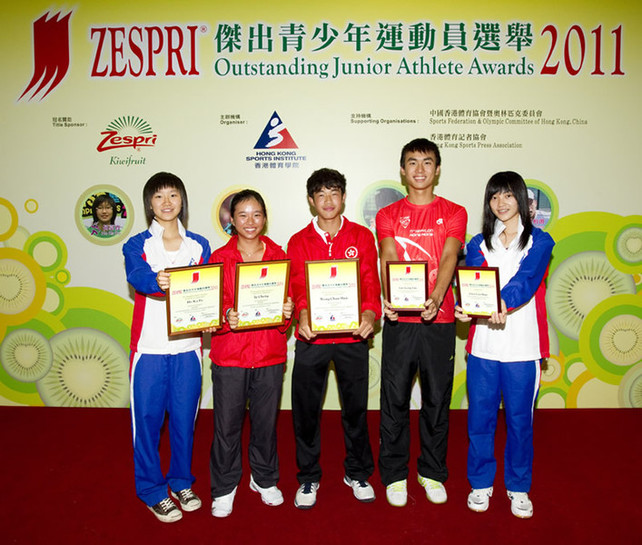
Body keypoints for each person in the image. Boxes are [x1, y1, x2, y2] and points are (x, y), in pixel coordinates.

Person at [455, 171, 554, 519]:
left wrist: (498, 304)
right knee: (479, 420)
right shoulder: (477, 243)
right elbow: (474, 281)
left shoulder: (541, 242)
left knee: (519, 422)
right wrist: (467, 306)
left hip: (523, 349)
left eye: (508, 195)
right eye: (495, 196)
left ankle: (518, 487)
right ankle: (480, 484)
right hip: (483, 348)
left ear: (523, 201)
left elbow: (526, 282)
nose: (501, 203)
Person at [376, 138, 467, 507]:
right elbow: (388, 254)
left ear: (438, 169)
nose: (419, 170)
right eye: (412, 162)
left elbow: (449, 255)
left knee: (436, 399)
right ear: (402, 170)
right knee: (394, 398)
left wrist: (437, 296)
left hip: (439, 319)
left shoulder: (454, 211)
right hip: (401, 320)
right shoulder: (388, 215)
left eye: (427, 162)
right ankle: (395, 475)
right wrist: (389, 295)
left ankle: (431, 471)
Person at [288, 168, 381, 509]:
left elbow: (371, 282)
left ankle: (357, 472)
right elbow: (297, 285)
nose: (328, 201)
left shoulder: (361, 236)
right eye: (321, 195)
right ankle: (308, 477)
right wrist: (302, 313)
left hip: (352, 337)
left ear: (343, 197)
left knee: (355, 410)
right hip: (312, 339)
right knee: (306, 412)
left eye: (334, 193)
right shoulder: (298, 241)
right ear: (311, 201)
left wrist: (370, 313)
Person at [123, 172, 211, 523]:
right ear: (149, 204)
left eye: (173, 195)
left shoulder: (199, 245)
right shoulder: (136, 245)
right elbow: (138, 277)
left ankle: (181, 481)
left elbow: (207, 291)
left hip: (188, 349)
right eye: (158, 197)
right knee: (145, 422)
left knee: (184, 422)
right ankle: (152, 489)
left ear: (182, 200)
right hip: (149, 349)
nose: (166, 203)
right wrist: (156, 280)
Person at [208, 189, 294, 518]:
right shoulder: (218, 258)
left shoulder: (279, 255)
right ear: (231, 219)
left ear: (265, 218)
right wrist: (224, 317)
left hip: (270, 356)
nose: (250, 221)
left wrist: (287, 311)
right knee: (227, 426)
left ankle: (264, 479)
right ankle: (225, 486)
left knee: (265, 424)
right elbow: (208, 310)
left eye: (256, 214)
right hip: (230, 356)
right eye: (242, 214)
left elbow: (289, 308)